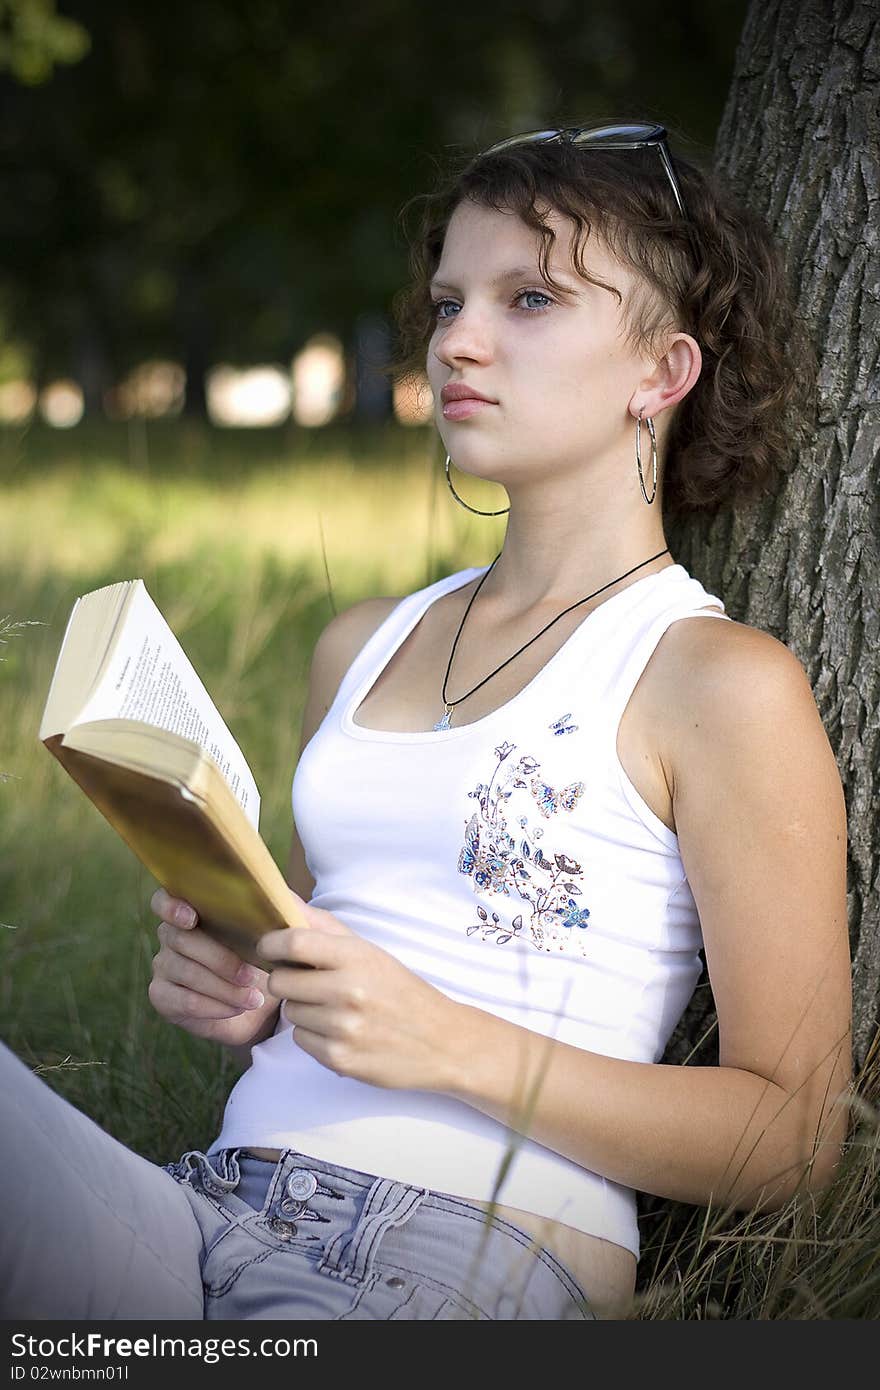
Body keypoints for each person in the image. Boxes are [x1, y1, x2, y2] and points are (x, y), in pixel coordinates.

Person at [1, 122, 852, 1322]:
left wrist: (449, 1043)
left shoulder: (711, 678)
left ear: (661, 372)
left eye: (532, 298)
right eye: (450, 300)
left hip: (463, 1258)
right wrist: (245, 993)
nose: (458, 337)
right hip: (206, 1205)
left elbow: (796, 1137)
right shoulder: (363, 643)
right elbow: (301, 972)